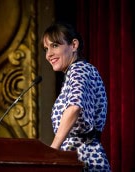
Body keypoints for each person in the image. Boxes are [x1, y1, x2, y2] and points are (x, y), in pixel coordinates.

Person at [41, 21, 111, 172]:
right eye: (46, 49)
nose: (48, 55)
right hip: (75, 157)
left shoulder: (79, 69)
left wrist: (52, 150)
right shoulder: (78, 72)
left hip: (83, 159)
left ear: (73, 45)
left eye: (54, 46)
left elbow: (74, 107)